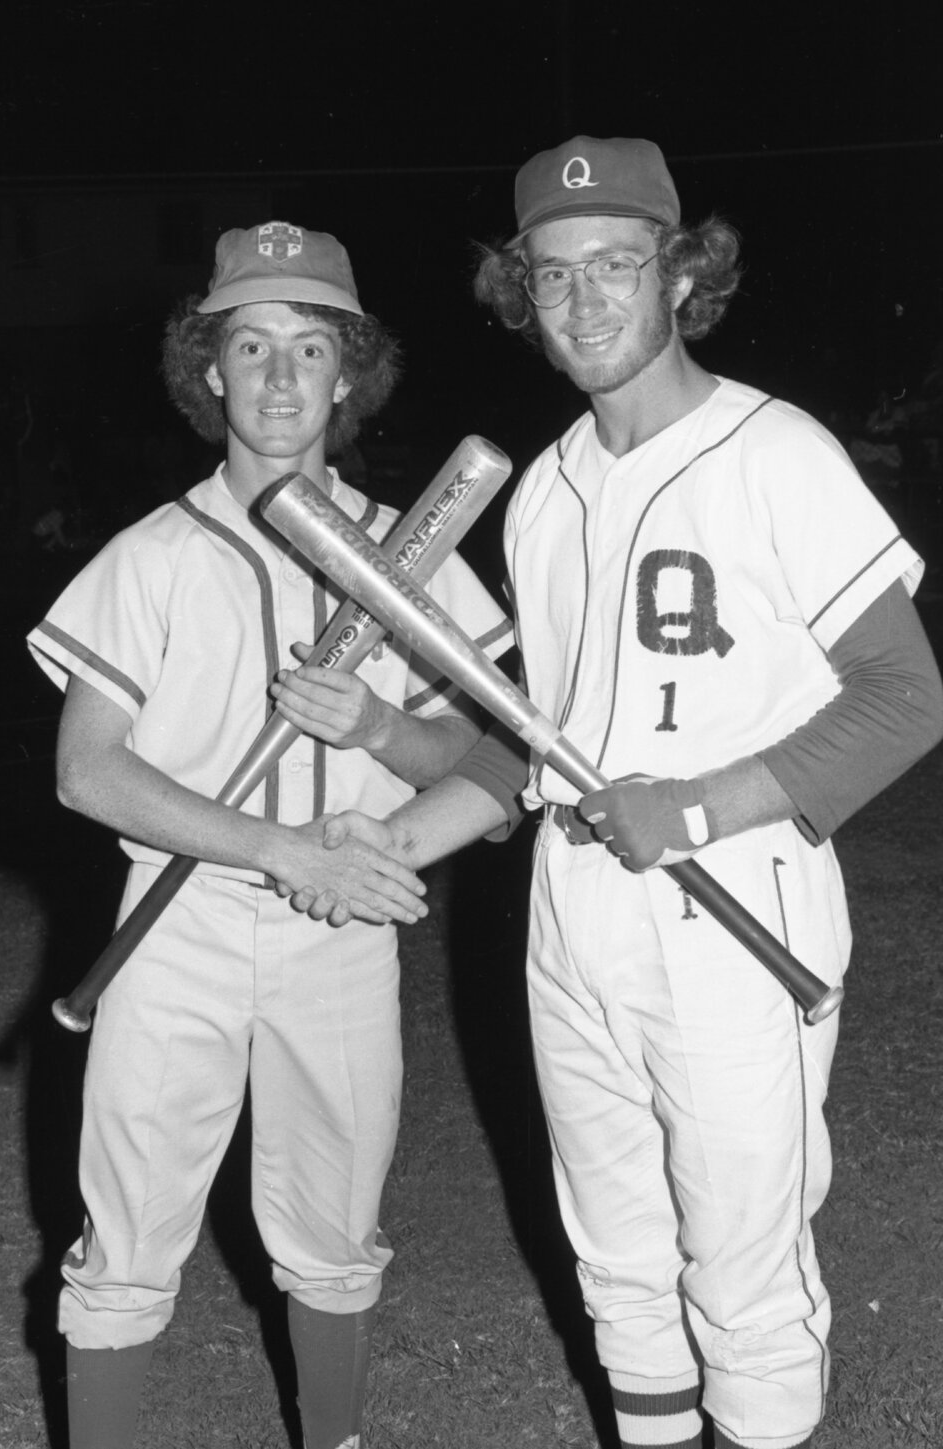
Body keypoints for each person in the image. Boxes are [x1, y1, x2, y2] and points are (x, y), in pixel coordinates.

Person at [298, 138, 943, 1449]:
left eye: (618, 266)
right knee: (619, 1252)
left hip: (731, 894)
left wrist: (700, 803)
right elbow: (538, 747)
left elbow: (904, 695)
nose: (585, 301)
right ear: (519, 295)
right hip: (574, 911)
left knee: (740, 1263)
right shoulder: (542, 491)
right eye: (553, 275)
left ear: (683, 276)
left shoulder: (776, 452)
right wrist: (391, 835)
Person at [27, 219, 512, 1449]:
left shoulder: (409, 553)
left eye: (310, 347)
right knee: (127, 1234)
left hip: (338, 939)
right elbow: (89, 775)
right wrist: (282, 849)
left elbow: (494, 759)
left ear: (349, 374)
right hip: (175, 932)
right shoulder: (151, 558)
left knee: (335, 1234)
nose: (282, 378)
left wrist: (383, 757)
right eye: (251, 347)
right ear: (210, 375)